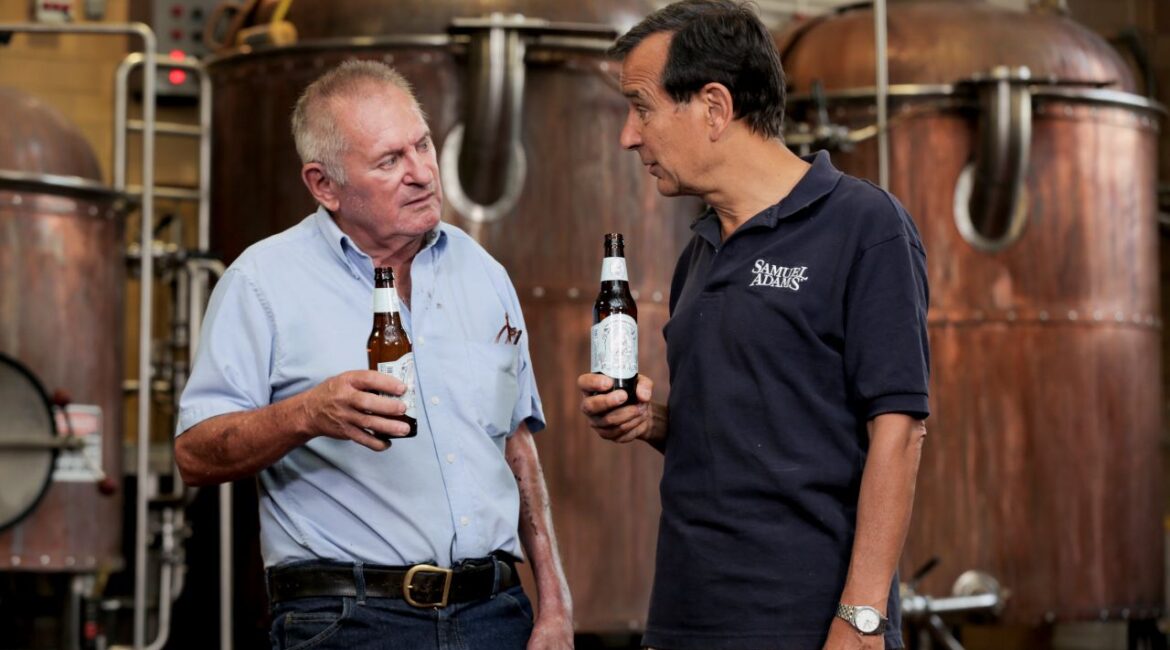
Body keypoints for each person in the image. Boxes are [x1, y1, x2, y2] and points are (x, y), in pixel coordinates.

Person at [176, 59, 573, 650]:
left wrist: (555, 605)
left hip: (496, 613)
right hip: (349, 621)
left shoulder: (484, 274)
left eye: (423, 145)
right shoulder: (263, 283)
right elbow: (193, 454)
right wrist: (307, 413)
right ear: (323, 185)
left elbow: (516, 446)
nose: (421, 173)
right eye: (389, 161)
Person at [578, 1, 930, 649]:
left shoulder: (863, 227)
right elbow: (752, 431)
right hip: (687, 620)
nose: (629, 135)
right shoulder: (701, 251)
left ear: (714, 106)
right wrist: (651, 421)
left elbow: (900, 432)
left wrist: (861, 618)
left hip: (807, 624)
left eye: (642, 107)